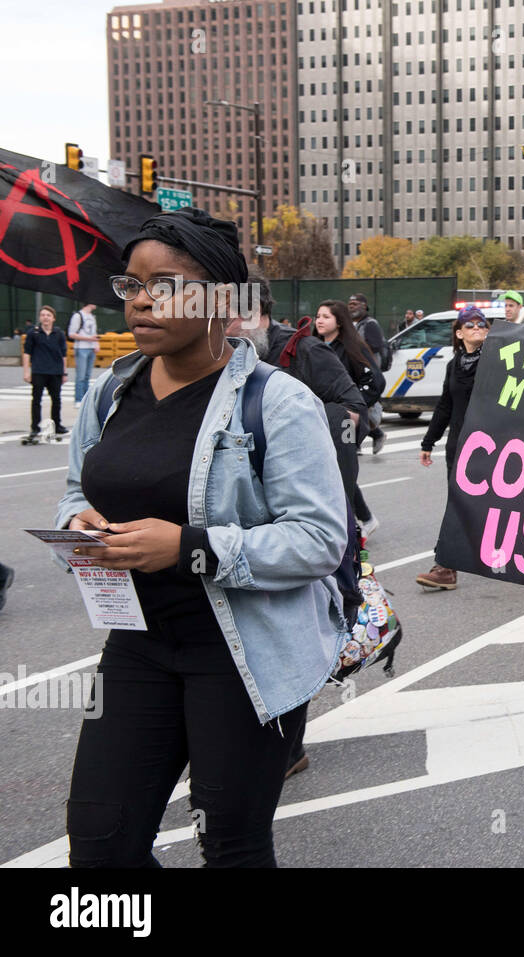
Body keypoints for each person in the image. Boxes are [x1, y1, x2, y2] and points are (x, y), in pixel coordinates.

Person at [56, 206, 350, 866]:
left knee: (232, 845)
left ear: (222, 298)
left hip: (245, 654)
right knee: (101, 845)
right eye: (130, 285)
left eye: (164, 284)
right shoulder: (109, 392)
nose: (139, 301)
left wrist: (191, 545)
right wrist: (80, 523)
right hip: (139, 646)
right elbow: (78, 489)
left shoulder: (276, 401)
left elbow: (320, 539)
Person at [225, 273, 369, 780]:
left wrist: (297, 431)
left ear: (262, 315)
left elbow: (356, 410)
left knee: (301, 626)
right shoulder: (222, 358)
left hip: (307, 511)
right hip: (246, 517)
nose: (228, 327)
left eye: (238, 317)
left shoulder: (303, 353)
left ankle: (290, 748)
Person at [416, 305, 493, 591]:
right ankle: (446, 567)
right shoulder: (453, 365)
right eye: (470, 325)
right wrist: (428, 441)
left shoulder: (498, 362)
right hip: (459, 446)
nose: (476, 328)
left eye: (481, 324)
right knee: (457, 505)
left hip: (493, 447)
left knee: (498, 506)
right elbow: (445, 406)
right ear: (459, 333)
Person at [315, 299, 384, 539]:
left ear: (339, 322)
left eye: (326, 316)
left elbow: (376, 382)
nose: (320, 320)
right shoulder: (314, 348)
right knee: (330, 469)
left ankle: (352, 523)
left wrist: (355, 406)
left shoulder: (353, 347)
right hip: (321, 418)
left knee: (339, 469)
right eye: (318, 316)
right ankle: (363, 518)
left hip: (346, 420)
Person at [348, 292, 389, 454]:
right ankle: (358, 442)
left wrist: (355, 348)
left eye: (355, 304)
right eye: (349, 304)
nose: (351, 307)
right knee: (355, 408)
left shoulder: (370, 324)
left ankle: (370, 436)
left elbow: (375, 346)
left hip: (368, 375)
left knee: (363, 409)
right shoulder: (351, 325)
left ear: (364, 306)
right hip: (354, 374)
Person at [22, 305, 68, 440]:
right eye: (43, 315)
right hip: (38, 371)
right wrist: (26, 372)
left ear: (53, 318)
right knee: (36, 400)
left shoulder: (59, 334)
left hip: (55, 372)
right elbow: (27, 353)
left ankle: (57, 425)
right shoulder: (33, 333)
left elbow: (63, 354)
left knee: (56, 400)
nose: (45, 317)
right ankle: (35, 428)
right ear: (40, 318)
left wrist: (64, 373)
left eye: (48, 315)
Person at [67, 302, 100, 405]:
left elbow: (94, 333)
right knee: (80, 376)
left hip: (91, 348)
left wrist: (96, 344)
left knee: (87, 376)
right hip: (81, 348)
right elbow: (71, 334)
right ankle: (78, 399)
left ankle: (85, 399)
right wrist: (89, 339)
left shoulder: (92, 316)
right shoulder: (78, 315)